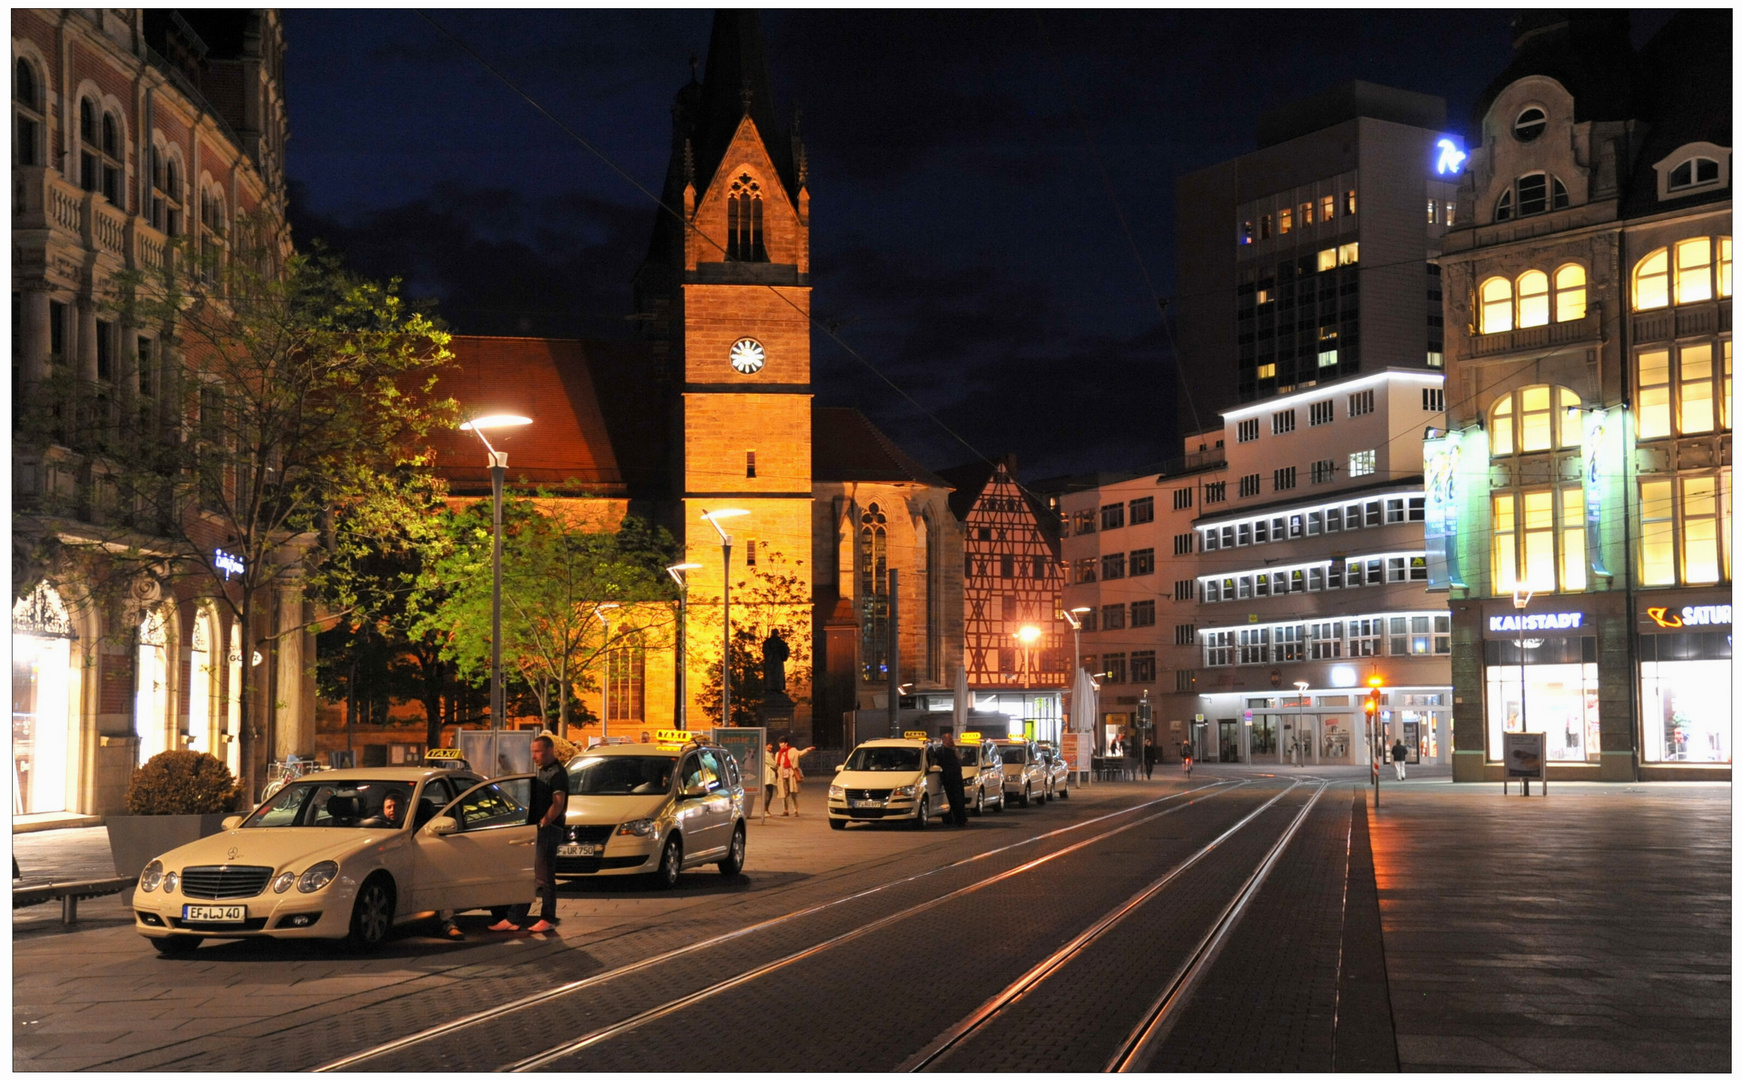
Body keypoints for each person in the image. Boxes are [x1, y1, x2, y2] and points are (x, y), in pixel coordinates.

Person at [491, 735, 568, 934]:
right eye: (532, 751)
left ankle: (547, 918)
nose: (533, 756)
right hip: (540, 829)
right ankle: (515, 918)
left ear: (549, 751)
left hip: (549, 830)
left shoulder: (557, 774)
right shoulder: (543, 771)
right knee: (531, 876)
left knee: (544, 877)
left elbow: (558, 803)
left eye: (538, 751)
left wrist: (543, 823)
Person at [775, 737, 814, 816]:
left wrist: (808, 749)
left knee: (793, 793)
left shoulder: (792, 750)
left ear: (786, 743)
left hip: (791, 775)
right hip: (782, 776)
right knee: (784, 794)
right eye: (780, 743)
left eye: (782, 743)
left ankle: (795, 810)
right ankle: (785, 810)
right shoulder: (778, 753)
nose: (781, 745)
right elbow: (776, 764)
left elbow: (800, 753)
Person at [934, 733, 967, 827]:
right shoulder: (941, 751)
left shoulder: (953, 750)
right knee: (954, 799)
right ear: (944, 740)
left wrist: (955, 749)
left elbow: (959, 758)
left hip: (957, 777)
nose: (952, 741)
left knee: (960, 798)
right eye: (950, 739)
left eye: (952, 739)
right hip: (949, 778)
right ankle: (958, 819)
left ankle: (961, 818)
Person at [762, 742, 779, 821]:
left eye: (772, 745)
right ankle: (765, 810)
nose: (771, 746)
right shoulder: (765, 754)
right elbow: (773, 764)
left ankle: (766, 809)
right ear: (765, 746)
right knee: (768, 793)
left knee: (769, 793)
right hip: (767, 776)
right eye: (769, 745)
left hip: (769, 776)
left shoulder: (769, 753)